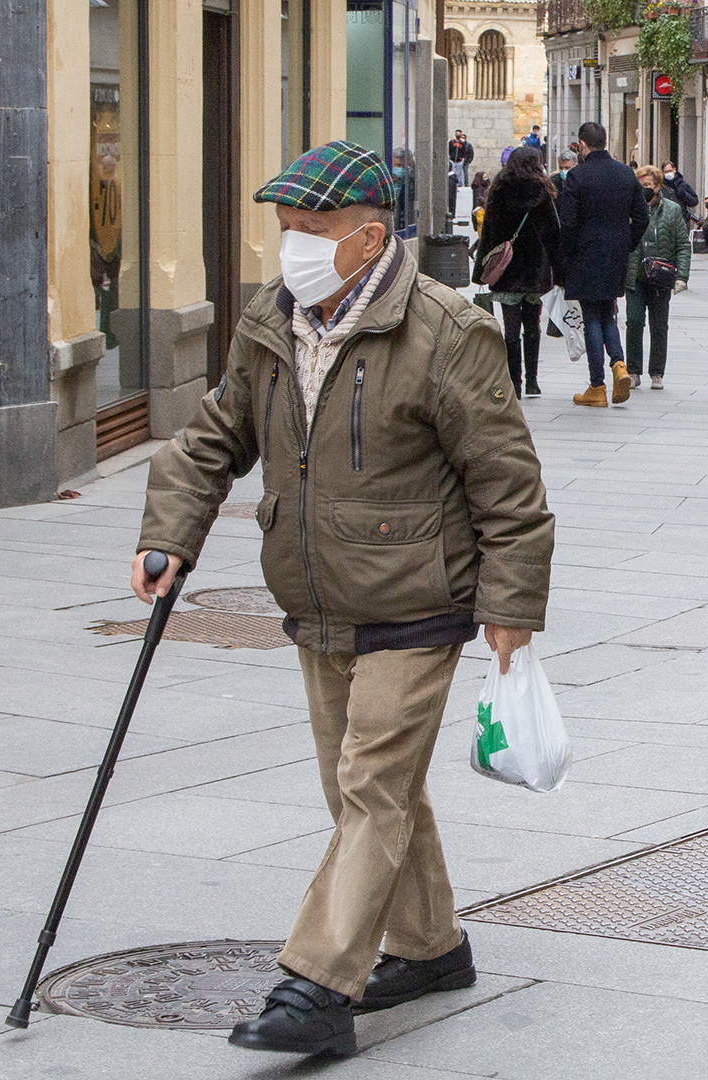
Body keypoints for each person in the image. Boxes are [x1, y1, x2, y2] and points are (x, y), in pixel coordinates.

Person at [132, 140, 554, 1056]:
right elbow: (216, 434)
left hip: (419, 597)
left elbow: (508, 484)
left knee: (370, 783)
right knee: (364, 786)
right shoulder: (271, 322)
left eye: (308, 231)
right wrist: (170, 532)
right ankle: (431, 946)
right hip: (320, 597)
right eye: (284, 230)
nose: (290, 249)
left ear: (367, 239)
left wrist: (510, 610)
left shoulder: (447, 330)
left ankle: (316, 986)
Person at [558, 122, 648, 408]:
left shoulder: (577, 176)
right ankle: (619, 364)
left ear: (582, 145)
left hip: (585, 255)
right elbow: (642, 218)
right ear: (604, 142)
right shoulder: (625, 174)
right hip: (616, 255)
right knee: (607, 312)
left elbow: (568, 222)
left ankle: (597, 386)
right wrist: (626, 243)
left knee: (592, 318)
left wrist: (567, 254)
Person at [474, 146, 562, 399]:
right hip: (535, 269)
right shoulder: (543, 190)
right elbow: (553, 232)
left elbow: (488, 231)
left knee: (511, 331)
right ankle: (533, 381)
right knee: (532, 327)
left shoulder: (499, 189)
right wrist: (558, 269)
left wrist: (481, 269)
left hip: (506, 269)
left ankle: (515, 383)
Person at [625, 165, 693, 391]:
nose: (644, 189)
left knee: (659, 326)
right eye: (641, 185)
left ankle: (657, 372)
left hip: (660, 276)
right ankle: (633, 371)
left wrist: (681, 275)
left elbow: (683, 245)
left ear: (657, 186)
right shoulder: (628, 208)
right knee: (634, 322)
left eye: (648, 185)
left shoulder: (672, 210)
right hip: (635, 274)